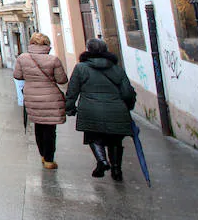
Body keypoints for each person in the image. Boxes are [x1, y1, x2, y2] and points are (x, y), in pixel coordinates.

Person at [65, 38, 137, 181]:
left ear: (88, 50)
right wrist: (126, 107)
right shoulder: (116, 68)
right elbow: (128, 92)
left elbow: (72, 91)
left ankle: (102, 161)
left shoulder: (81, 68)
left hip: (90, 109)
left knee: (93, 136)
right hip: (116, 110)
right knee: (115, 140)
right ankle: (117, 170)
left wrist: (70, 108)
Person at [13, 32, 68, 169]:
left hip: (31, 96)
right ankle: (49, 159)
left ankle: (43, 154)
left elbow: (17, 76)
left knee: (38, 125)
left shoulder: (22, 58)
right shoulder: (53, 60)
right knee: (50, 128)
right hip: (51, 97)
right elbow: (62, 80)